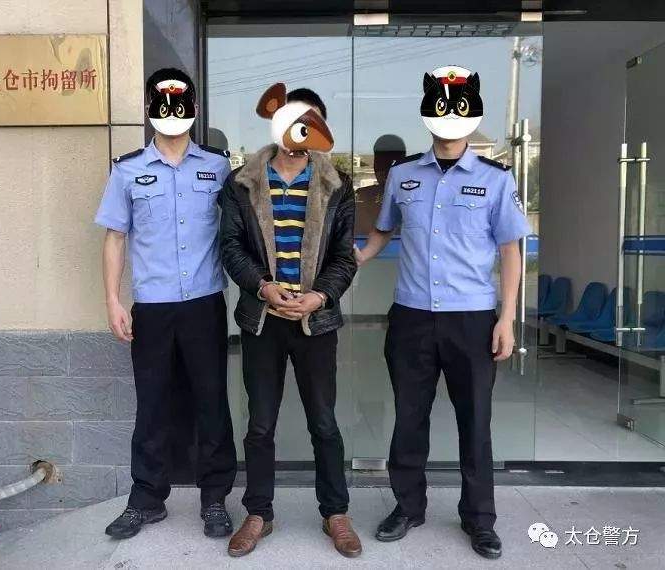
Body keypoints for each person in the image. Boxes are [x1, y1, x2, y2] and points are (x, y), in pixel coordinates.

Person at [355, 65, 531, 560]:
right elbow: (383, 230)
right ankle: (408, 507)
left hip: (471, 319)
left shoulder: (496, 179)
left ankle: (479, 519)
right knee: (409, 418)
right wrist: (356, 258)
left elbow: (511, 251)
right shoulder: (404, 176)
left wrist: (506, 319)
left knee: (475, 422)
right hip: (411, 317)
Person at [95, 67, 237, 540]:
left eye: (180, 104)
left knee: (211, 402)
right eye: (162, 104)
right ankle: (147, 498)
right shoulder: (127, 170)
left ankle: (214, 497)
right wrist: (113, 300)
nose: (172, 113)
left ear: (193, 109)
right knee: (152, 404)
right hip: (152, 307)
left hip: (204, 304)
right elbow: (116, 237)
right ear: (149, 109)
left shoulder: (217, 167)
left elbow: (241, 231)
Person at [220, 83, 361, 558]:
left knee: (324, 422)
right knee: (260, 424)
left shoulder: (337, 185)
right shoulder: (243, 182)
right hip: (262, 320)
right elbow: (231, 247)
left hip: (314, 323)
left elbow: (344, 256)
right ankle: (259, 513)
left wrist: (319, 296)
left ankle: (335, 513)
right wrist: (263, 286)